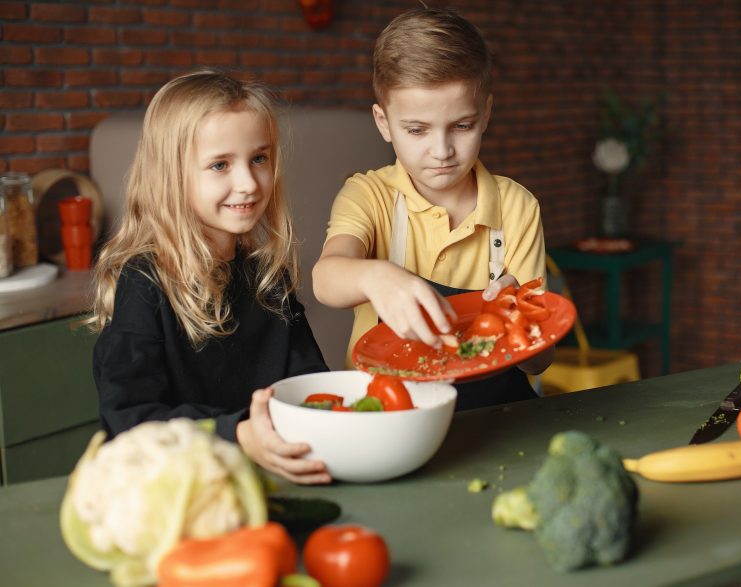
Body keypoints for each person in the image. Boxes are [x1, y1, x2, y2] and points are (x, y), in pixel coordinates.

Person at [91, 69, 331, 485]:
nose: (248, 183)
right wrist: (237, 434)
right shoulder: (144, 282)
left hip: (268, 479)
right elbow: (131, 420)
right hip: (181, 490)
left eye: (259, 158)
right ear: (171, 176)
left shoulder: (266, 276)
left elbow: (312, 388)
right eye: (220, 165)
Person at [312, 7, 553, 410]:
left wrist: (522, 322)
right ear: (384, 122)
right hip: (390, 413)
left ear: (486, 114)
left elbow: (541, 363)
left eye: (462, 126)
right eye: (417, 130)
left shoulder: (518, 207)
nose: (442, 151)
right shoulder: (369, 195)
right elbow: (326, 279)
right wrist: (376, 275)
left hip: (493, 416)